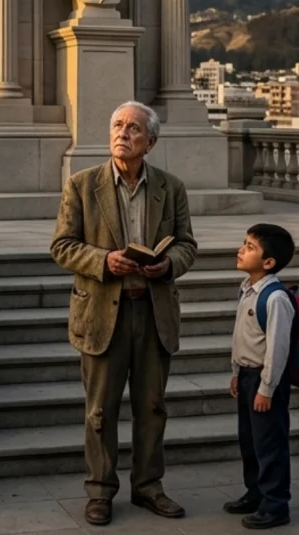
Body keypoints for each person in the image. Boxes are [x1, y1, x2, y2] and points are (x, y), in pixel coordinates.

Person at [50, 101, 198, 527]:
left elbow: (187, 244)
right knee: (100, 411)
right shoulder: (81, 185)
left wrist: (168, 265)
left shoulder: (171, 187)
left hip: (153, 312)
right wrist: (103, 261)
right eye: (117, 125)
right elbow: (62, 246)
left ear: (150, 141)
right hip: (102, 313)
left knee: (152, 406)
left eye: (133, 128)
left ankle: (149, 487)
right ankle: (100, 492)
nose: (123, 133)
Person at [225, 224, 297, 529]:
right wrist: (236, 373)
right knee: (250, 441)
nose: (242, 250)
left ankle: (276, 504)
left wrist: (266, 389)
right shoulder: (247, 288)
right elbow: (243, 338)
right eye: (244, 243)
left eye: (250, 247)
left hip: (265, 381)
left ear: (268, 262)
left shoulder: (275, 298)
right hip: (247, 377)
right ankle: (255, 492)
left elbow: (277, 349)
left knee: (269, 443)